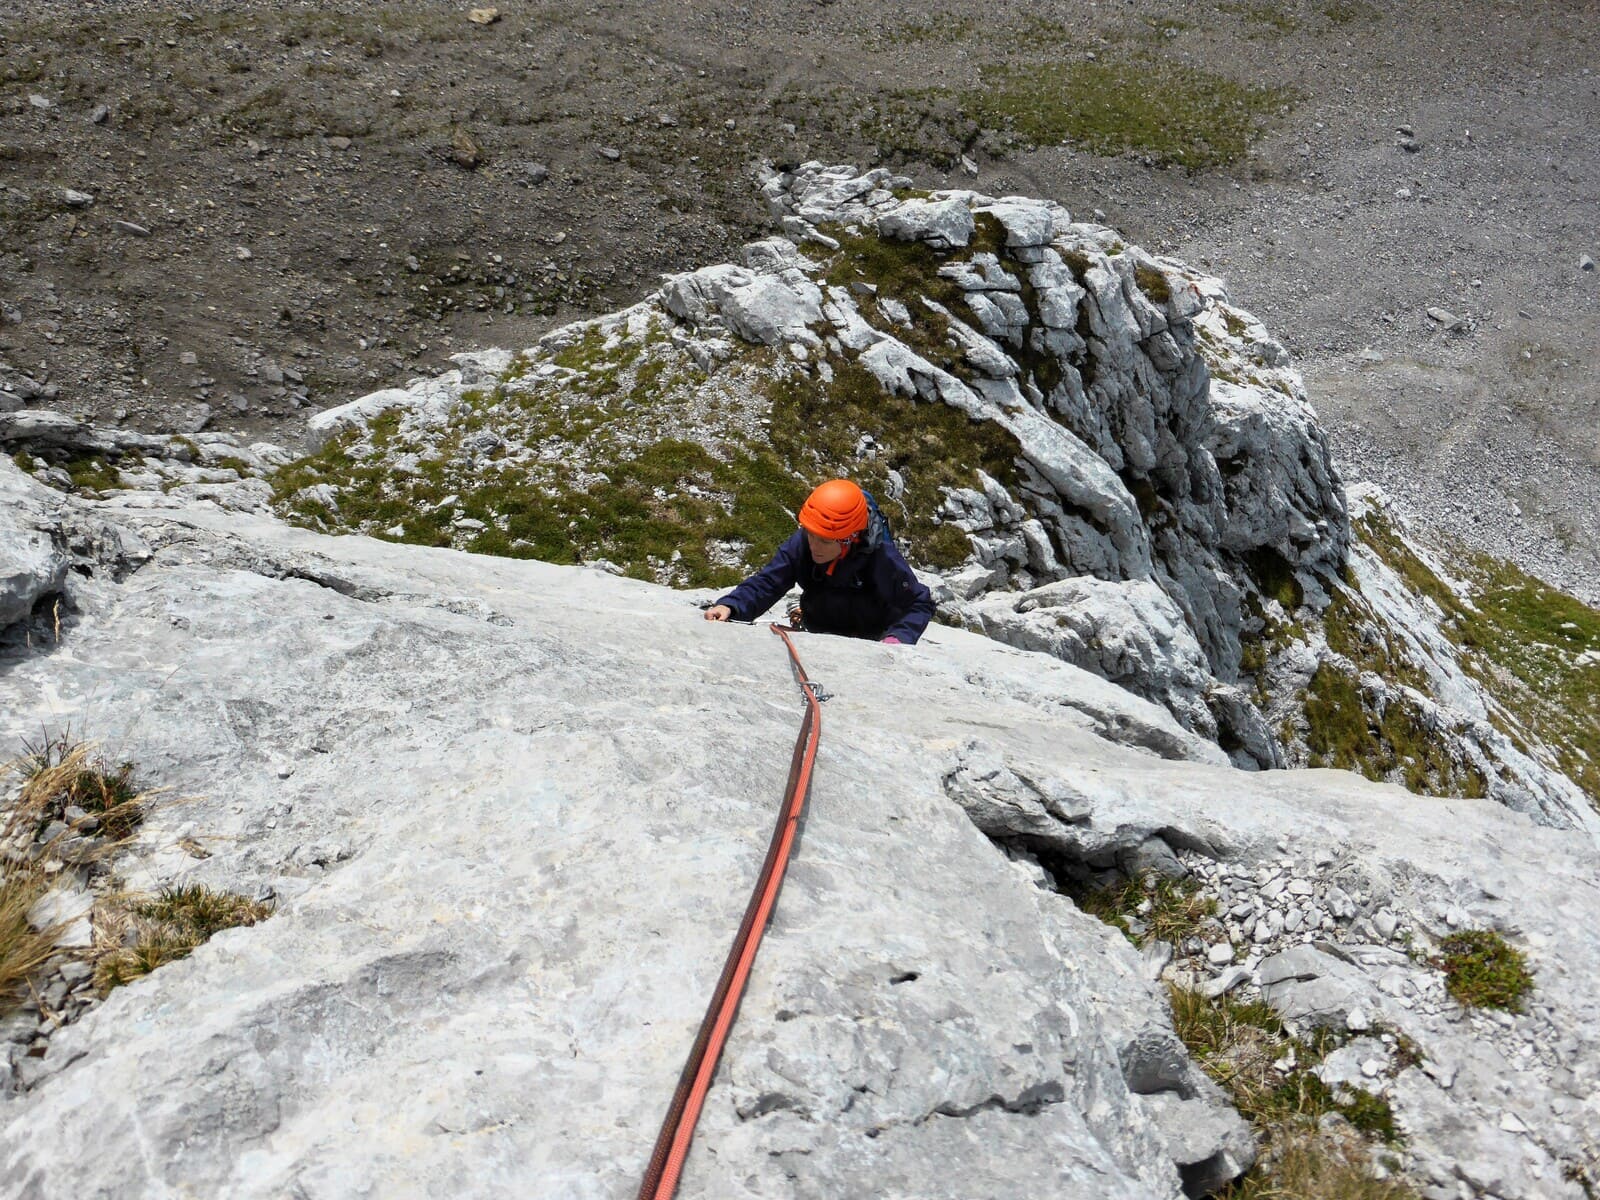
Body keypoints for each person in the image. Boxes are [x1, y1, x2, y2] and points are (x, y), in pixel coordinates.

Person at [704, 479, 935, 645]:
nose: (814, 545)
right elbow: (769, 582)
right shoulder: (804, 541)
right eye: (810, 535)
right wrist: (731, 606)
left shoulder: (880, 557)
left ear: (850, 539)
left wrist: (897, 639)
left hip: (871, 640)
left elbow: (919, 603)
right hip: (817, 631)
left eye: (824, 541)